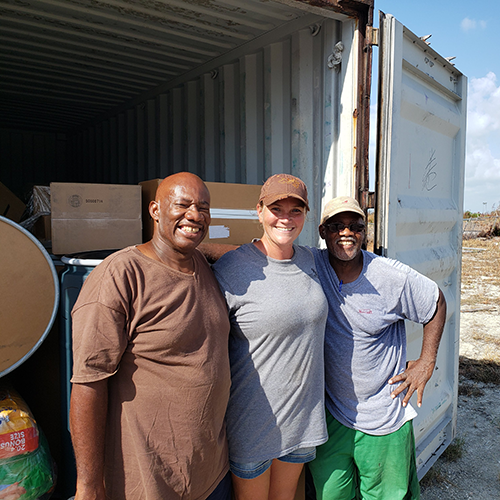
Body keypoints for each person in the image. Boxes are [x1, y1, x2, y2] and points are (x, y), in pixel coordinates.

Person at [69, 172, 232, 500]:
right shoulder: (120, 276)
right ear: (155, 210)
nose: (195, 215)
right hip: (146, 480)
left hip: (211, 472)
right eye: (183, 205)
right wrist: (88, 484)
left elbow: (226, 249)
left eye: (203, 207)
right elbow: (88, 384)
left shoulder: (201, 263)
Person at [307, 196, 447, 500]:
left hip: (383, 417)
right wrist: (190, 250)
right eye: (336, 226)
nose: (346, 232)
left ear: (364, 232)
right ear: (322, 231)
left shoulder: (389, 276)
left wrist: (426, 362)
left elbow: (435, 301)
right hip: (332, 416)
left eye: (355, 226)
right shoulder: (311, 264)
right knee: (330, 494)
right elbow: (259, 254)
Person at [212, 174, 329, 500]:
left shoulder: (312, 260)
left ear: (306, 215)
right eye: (277, 208)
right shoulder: (232, 269)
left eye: (296, 210)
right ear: (259, 211)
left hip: (302, 418)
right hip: (252, 421)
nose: (286, 218)